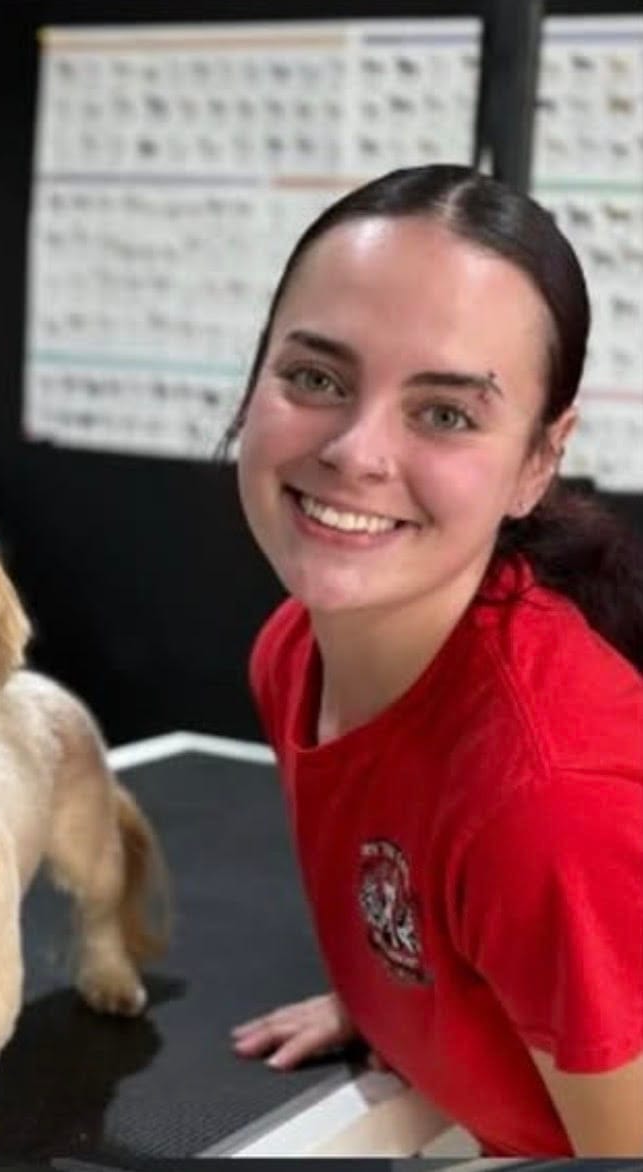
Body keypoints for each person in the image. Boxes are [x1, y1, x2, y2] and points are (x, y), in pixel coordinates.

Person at [225, 164, 643, 1157]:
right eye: (316, 378)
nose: (356, 452)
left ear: (537, 461)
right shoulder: (294, 653)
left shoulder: (543, 802)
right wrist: (401, 992)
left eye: (444, 412)